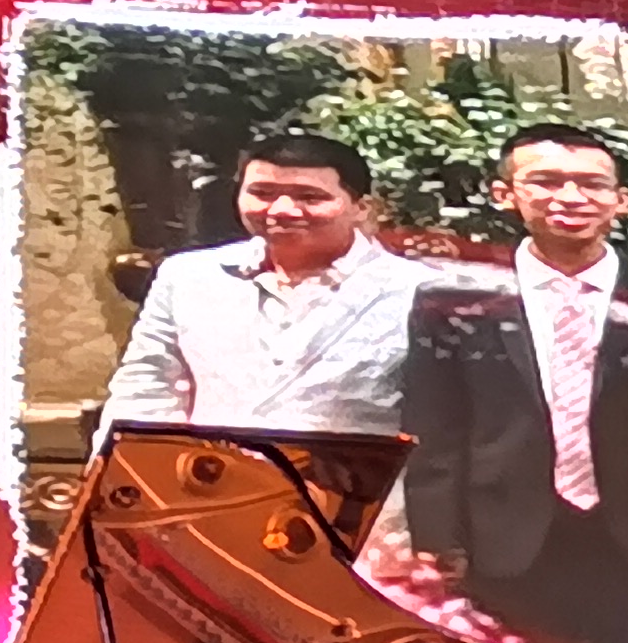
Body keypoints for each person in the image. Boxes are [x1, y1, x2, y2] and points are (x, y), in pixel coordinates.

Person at [402, 124, 628, 643]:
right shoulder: (455, 299)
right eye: (546, 181)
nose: (571, 198)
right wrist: (437, 534)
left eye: (592, 184)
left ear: (621, 201)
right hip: (500, 530)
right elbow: (436, 422)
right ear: (505, 194)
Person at [95, 132, 423, 441]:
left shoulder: (419, 291)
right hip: (211, 476)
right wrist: (132, 471)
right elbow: (147, 385)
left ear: (362, 208)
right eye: (262, 193)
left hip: (358, 480)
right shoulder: (188, 276)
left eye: (310, 197)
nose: (281, 210)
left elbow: (442, 424)